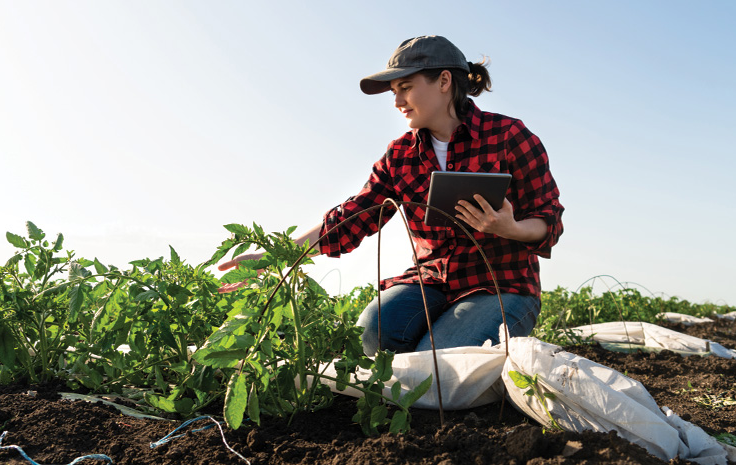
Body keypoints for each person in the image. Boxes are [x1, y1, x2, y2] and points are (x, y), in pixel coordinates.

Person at [219, 35, 563, 355]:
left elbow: (549, 219)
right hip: (431, 281)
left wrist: (511, 228)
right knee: (372, 332)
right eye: (394, 91)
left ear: (444, 82)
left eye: (406, 87)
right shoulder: (400, 156)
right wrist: (276, 257)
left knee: (443, 360)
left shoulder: (508, 135)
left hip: (502, 286)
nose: (397, 101)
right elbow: (353, 216)